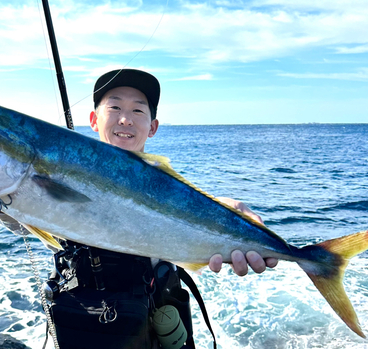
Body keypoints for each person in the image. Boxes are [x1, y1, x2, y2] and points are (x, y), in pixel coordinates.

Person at [44, 69, 278, 349]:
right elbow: (25, 210)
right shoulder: (66, 172)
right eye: (115, 106)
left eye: (138, 110)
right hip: (81, 328)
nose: (125, 119)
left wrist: (226, 211)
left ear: (153, 127)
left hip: (149, 328)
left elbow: (188, 208)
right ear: (94, 120)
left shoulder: (163, 183)